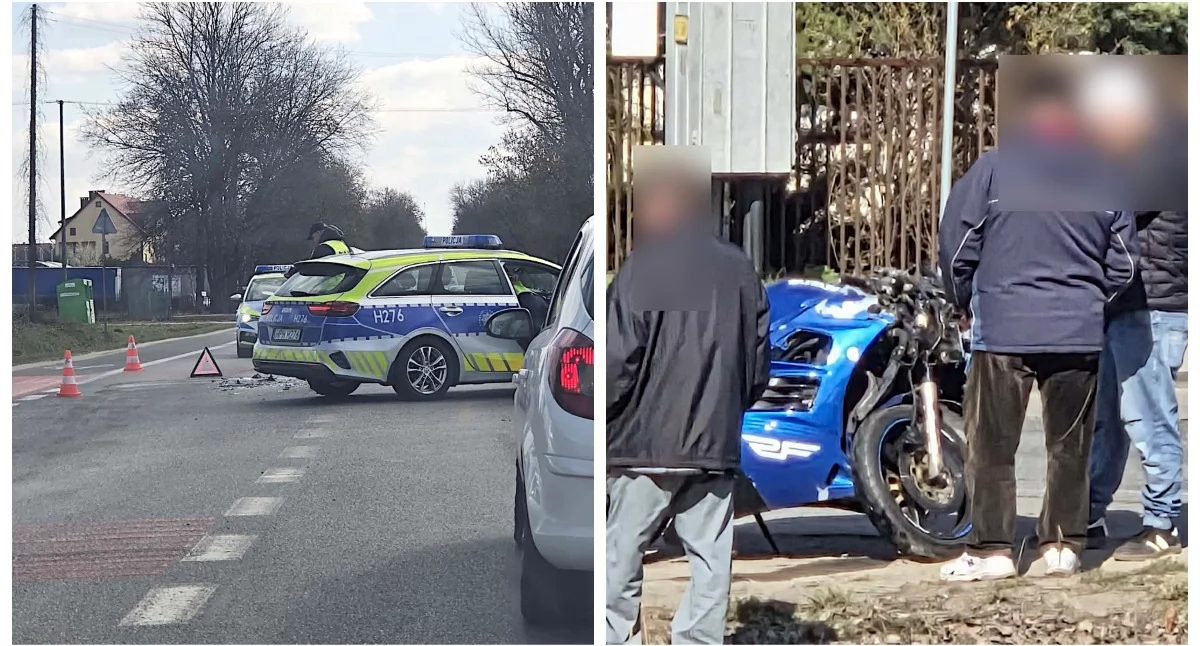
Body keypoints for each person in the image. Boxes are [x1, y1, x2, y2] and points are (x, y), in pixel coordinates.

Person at [935, 73, 1138, 582]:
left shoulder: (994, 170)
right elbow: (1125, 266)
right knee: (1068, 447)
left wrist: (962, 302)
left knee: (992, 447)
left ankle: (993, 549)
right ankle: (1062, 546)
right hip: (1077, 333)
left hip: (1003, 329)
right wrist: (1090, 301)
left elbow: (956, 246)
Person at [606, 157, 770, 644]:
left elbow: (618, 361)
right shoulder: (741, 270)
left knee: (621, 555)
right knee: (710, 560)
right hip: (712, 447)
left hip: (642, 447)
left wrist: (608, 423)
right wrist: (728, 413)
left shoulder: (643, 267)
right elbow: (757, 362)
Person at [1087, 210, 1187, 560]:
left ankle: (1162, 523)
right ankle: (1089, 513)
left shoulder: (1162, 159)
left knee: (1150, 419)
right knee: (1108, 418)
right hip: (1126, 301)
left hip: (1153, 303)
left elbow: (1109, 200)